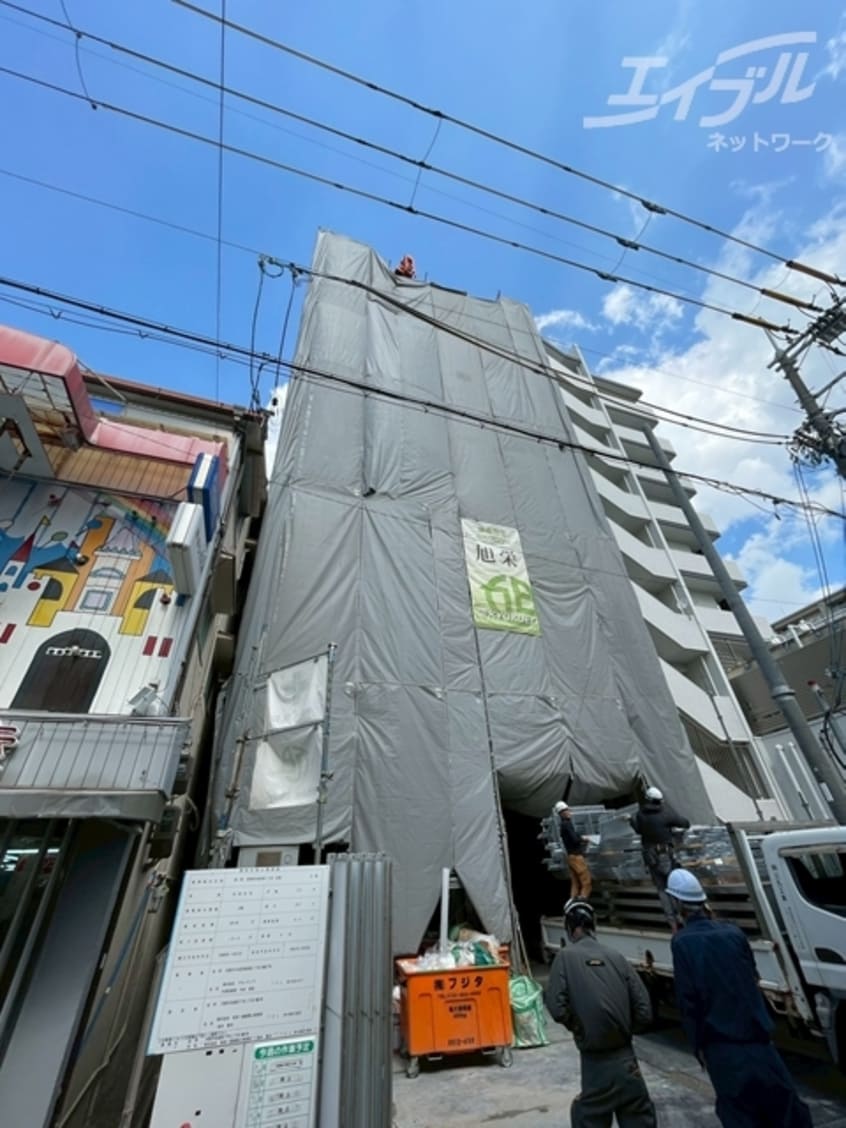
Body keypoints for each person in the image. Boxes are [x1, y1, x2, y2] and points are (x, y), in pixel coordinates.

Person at [667, 868, 813, 1128]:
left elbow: (689, 1003)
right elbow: (752, 979)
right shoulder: (733, 934)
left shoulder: (682, 943)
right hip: (761, 1045)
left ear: (677, 904)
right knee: (786, 1111)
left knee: (739, 1116)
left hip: (723, 1051)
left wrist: (698, 1047)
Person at [544, 898, 657, 1128]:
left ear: (569, 926)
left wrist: (581, 1028)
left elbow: (556, 1008)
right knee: (639, 1116)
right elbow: (645, 1012)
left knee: (589, 1116)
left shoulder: (564, 958)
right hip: (627, 1061)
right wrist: (623, 1028)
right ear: (593, 925)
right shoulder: (617, 957)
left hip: (595, 1062)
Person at [630, 786, 690, 927]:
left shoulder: (640, 814)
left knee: (661, 888)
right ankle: (680, 916)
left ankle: (671, 921)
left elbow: (638, 829)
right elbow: (685, 823)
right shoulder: (665, 813)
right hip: (664, 854)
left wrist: (631, 821)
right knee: (673, 885)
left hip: (650, 856)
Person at [555, 800, 592, 900]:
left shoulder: (563, 825)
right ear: (562, 813)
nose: (569, 812)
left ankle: (572, 901)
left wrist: (579, 837)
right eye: (567, 810)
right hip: (576, 857)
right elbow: (575, 839)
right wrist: (583, 839)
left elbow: (573, 836)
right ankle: (583, 900)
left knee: (575, 882)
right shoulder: (567, 824)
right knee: (586, 881)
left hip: (570, 857)